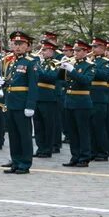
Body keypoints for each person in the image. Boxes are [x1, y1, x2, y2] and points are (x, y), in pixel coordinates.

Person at [0, 31, 39, 174]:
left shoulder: (31, 61)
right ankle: (16, 161)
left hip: (22, 103)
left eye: (21, 44)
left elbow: (33, 86)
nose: (17, 47)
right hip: (10, 102)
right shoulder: (9, 60)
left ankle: (25, 163)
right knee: (13, 135)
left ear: (28, 46)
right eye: (15, 43)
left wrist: (30, 105)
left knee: (24, 135)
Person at [58, 40, 96, 168]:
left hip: (82, 102)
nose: (75, 53)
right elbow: (60, 79)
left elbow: (86, 81)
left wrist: (72, 70)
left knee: (83, 131)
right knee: (72, 132)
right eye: (74, 50)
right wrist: (62, 68)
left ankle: (84, 157)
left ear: (86, 52)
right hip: (69, 101)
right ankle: (75, 156)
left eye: (78, 50)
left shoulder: (90, 66)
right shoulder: (72, 64)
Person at [33, 40, 61, 158]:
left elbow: (50, 77)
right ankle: (40, 148)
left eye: (44, 50)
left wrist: (37, 68)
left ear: (51, 51)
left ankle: (47, 149)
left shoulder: (57, 64)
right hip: (37, 96)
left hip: (49, 97)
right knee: (38, 125)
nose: (41, 52)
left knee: (48, 125)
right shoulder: (42, 63)